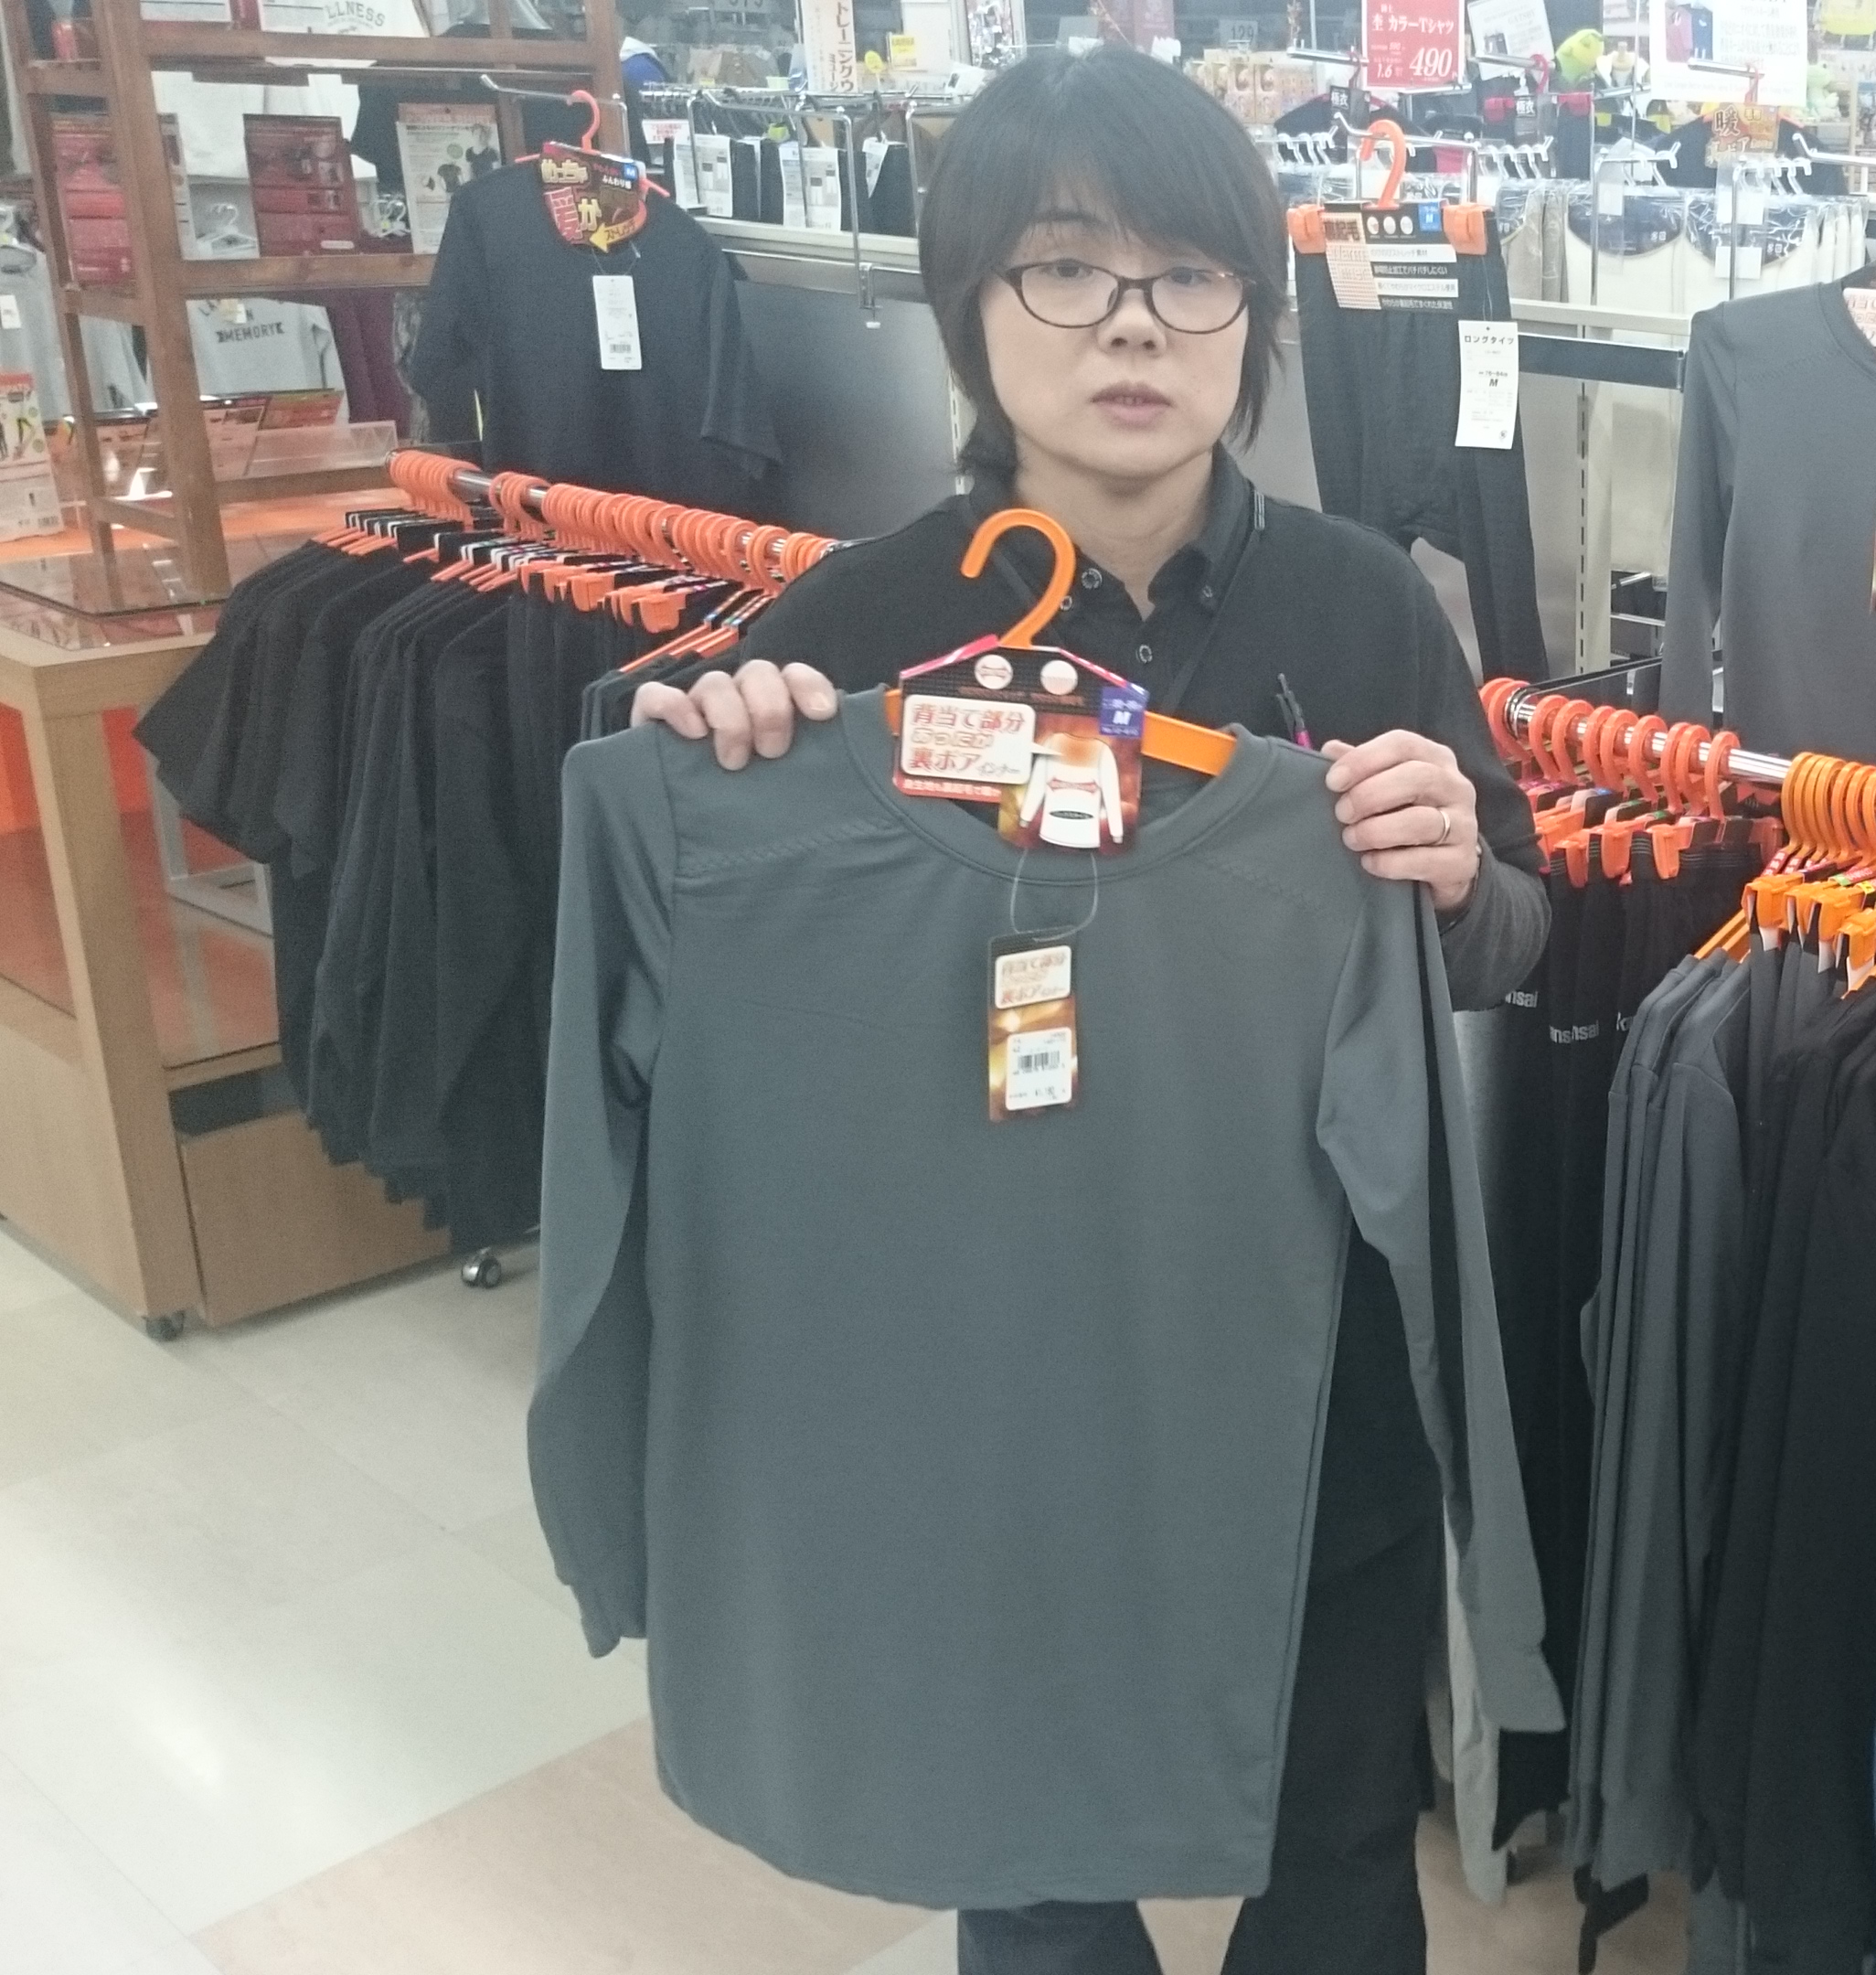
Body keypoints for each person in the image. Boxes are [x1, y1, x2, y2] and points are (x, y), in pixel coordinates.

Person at [619, 46, 1551, 1975]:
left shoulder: (1365, 608)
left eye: (1188, 274)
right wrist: (722, 770)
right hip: (993, 1364)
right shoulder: (852, 633)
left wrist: (1464, 872)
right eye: (1066, 266)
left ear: (1254, 318)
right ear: (969, 305)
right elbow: (703, 1003)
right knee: (1028, 1853)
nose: (1133, 323)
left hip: (1312, 1361)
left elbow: (1512, 942)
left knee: (1336, 1845)